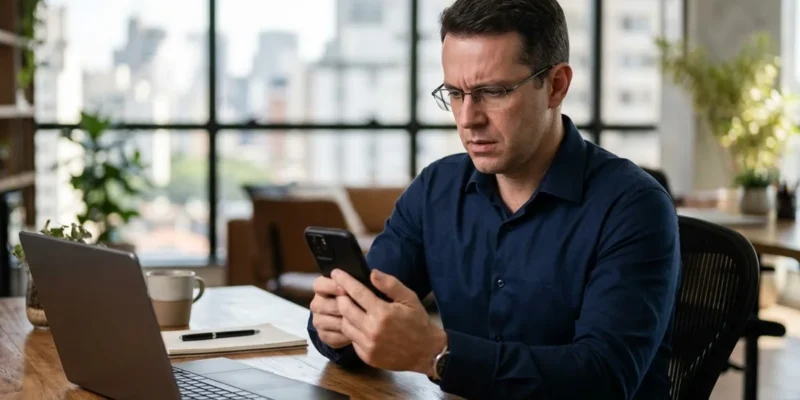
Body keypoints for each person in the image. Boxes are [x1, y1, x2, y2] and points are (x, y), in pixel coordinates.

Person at [306, 0, 681, 399]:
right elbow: (366, 319)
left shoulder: (634, 207)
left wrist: (438, 354)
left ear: (556, 86)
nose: (468, 118)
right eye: (455, 93)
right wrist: (338, 328)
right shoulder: (437, 189)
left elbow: (603, 378)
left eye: (493, 92)